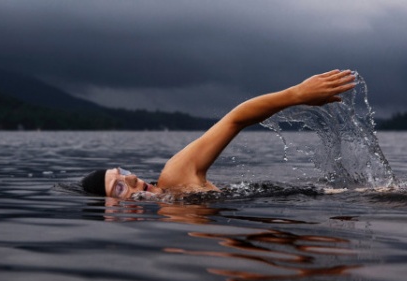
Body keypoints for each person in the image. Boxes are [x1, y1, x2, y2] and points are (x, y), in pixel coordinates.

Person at [81, 69, 357, 199]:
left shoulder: (175, 177)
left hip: (337, 198)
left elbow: (234, 119)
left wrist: (296, 95)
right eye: (119, 187)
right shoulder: (172, 225)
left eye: (123, 172)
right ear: (111, 212)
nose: (131, 177)